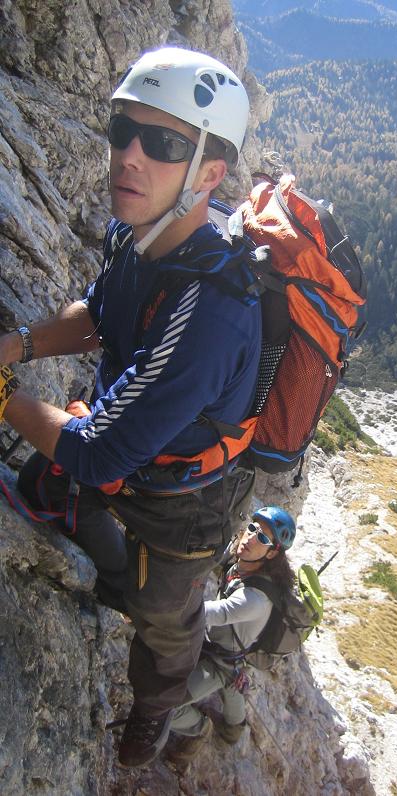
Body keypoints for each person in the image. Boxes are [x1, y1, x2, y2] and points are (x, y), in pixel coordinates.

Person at [0, 47, 261, 767]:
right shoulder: (137, 231)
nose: (131, 157)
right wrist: (15, 347)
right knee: (47, 483)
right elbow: (103, 316)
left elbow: (98, 452)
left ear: (211, 172)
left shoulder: (212, 309)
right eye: (124, 131)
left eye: (165, 143)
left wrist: (1, 395)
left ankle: (156, 706)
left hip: (183, 502)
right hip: (124, 433)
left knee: (164, 621)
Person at [166, 506, 296, 766]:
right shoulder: (241, 559)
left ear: (272, 553)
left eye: (263, 538)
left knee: (168, 704)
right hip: (223, 649)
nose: (250, 537)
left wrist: (164, 608)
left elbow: (216, 612)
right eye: (252, 528)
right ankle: (233, 729)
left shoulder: (255, 600)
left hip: (221, 658)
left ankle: (200, 729)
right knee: (233, 683)